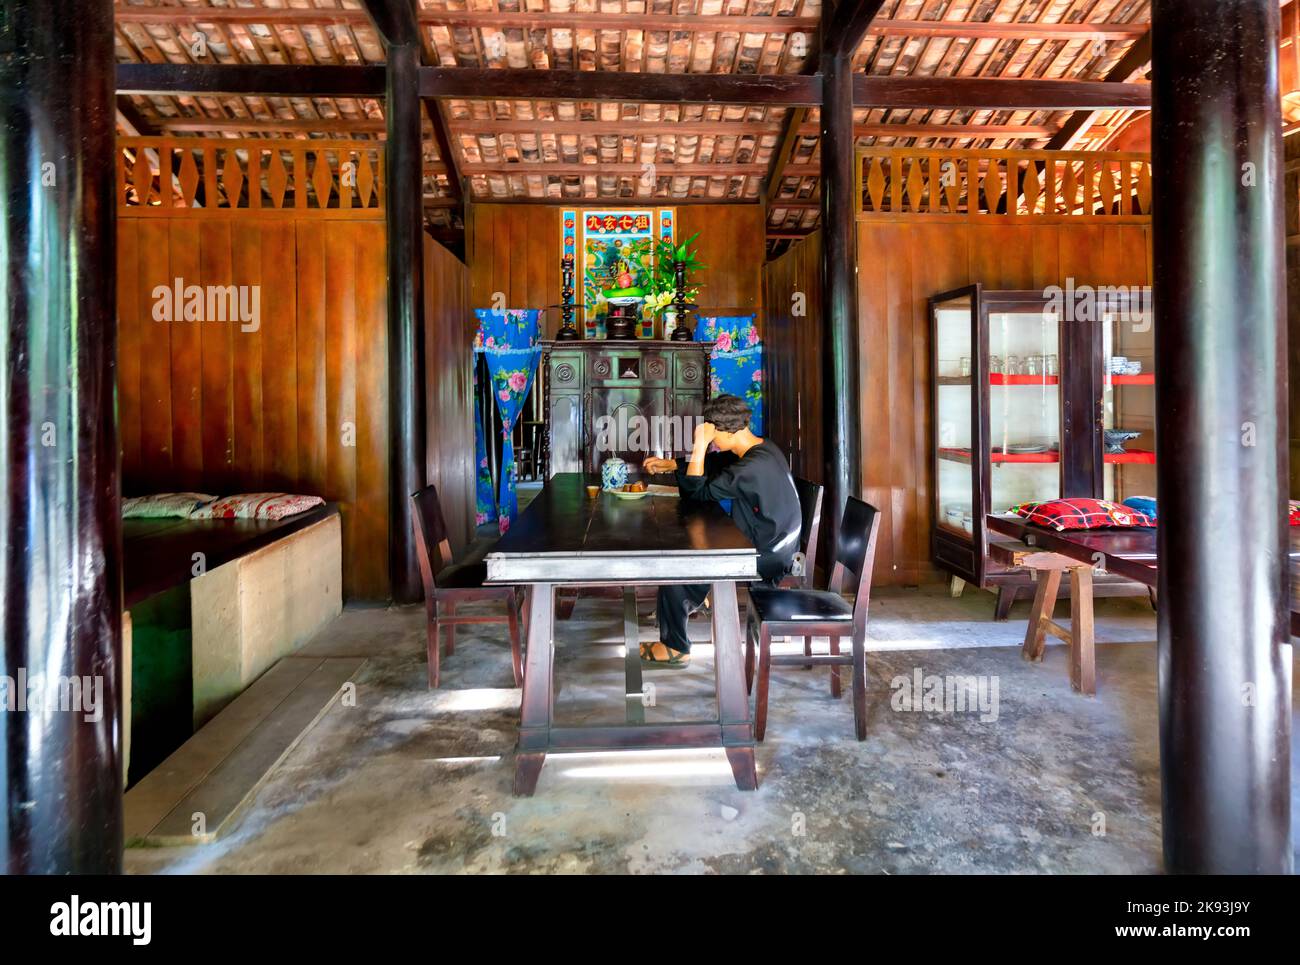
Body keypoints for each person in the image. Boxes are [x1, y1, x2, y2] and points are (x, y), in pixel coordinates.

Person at [640, 394, 801, 667]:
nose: (713, 442)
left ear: (728, 431)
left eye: (714, 436)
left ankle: (675, 647)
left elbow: (697, 493)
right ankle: (694, 598)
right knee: (693, 544)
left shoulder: (752, 467)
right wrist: (672, 464)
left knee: (680, 564)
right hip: (773, 541)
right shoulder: (761, 449)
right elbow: (719, 464)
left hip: (766, 554)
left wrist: (700, 445)